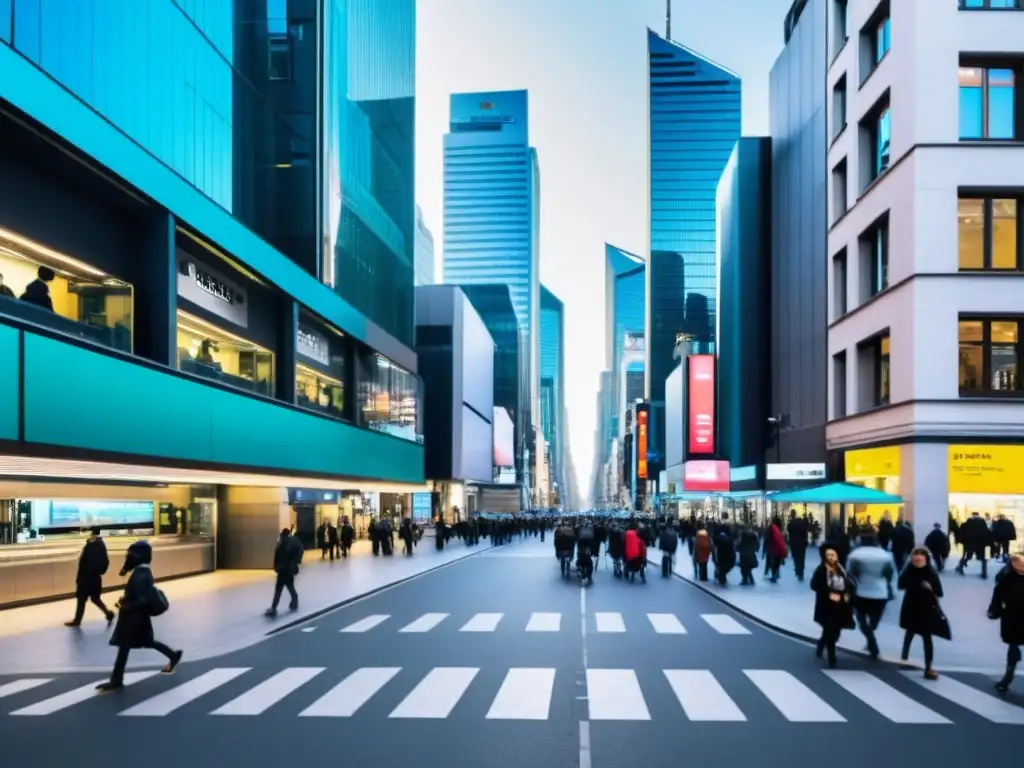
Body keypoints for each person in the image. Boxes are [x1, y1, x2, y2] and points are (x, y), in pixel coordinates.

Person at [96, 540, 182, 692]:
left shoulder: (139, 575)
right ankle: (173, 655)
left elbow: (141, 600)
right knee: (147, 642)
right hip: (139, 618)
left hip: (133, 619)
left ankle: (116, 680)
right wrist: (127, 600)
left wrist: (126, 605)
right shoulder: (144, 572)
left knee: (124, 647)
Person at [846, 526, 896, 659]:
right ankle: (871, 638)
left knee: (861, 620)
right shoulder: (885, 555)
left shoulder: (855, 555)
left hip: (861, 592)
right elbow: (889, 575)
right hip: (880, 592)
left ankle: (872, 643)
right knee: (873, 621)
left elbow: (851, 575)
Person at [898, 547, 945, 680]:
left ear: (926, 559)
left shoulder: (931, 573)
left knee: (927, 638)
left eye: (921, 558)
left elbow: (940, 592)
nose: (918, 561)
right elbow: (900, 584)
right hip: (911, 606)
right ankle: (905, 653)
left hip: (927, 608)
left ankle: (928, 667)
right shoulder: (908, 571)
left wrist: (930, 588)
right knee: (910, 631)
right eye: (916, 558)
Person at [810, 546, 855, 668]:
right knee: (830, 630)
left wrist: (847, 594)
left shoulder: (842, 570)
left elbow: (848, 584)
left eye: (833, 555)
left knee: (834, 631)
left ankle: (821, 645)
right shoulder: (820, 570)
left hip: (840, 606)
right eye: (828, 555)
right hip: (826, 605)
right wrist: (828, 593)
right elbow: (814, 585)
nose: (831, 557)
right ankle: (832, 658)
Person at [988, 554, 1024, 694]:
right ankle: (1007, 678)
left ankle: (1007, 679)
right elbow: (997, 597)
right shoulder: (1005, 578)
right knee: (1013, 648)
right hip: (1013, 618)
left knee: (1013, 647)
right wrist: (994, 610)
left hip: (1013, 618)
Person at [65, 526, 115, 627]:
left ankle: (77, 620)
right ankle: (108, 613)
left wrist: (85, 575)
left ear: (92, 533)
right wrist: (100, 571)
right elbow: (106, 561)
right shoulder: (101, 544)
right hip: (95, 577)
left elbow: (86, 561)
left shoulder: (92, 545)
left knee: (82, 599)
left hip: (86, 577)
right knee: (95, 598)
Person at [265, 528, 303, 617]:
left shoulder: (281, 543)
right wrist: (295, 563)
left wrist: (275, 567)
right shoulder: (295, 542)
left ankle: (273, 608)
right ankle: (294, 603)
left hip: (282, 569)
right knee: (290, 587)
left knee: (278, 590)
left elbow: (277, 556)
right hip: (288, 569)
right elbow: (300, 552)